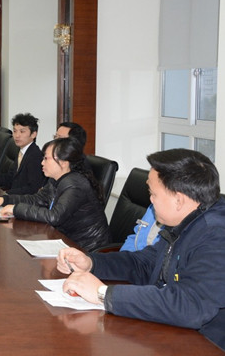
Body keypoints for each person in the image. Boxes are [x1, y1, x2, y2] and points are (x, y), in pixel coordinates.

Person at [57, 149, 225, 350]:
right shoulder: (187, 222)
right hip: (171, 333)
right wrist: (91, 263)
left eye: (153, 194)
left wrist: (104, 294)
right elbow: (144, 263)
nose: (150, 201)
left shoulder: (216, 235)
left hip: (206, 345)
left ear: (179, 200)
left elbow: (191, 306)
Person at [0, 137, 110, 251]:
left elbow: (54, 217)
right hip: (64, 239)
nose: (42, 163)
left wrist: (16, 209)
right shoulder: (57, 178)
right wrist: (5, 200)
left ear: (63, 162)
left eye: (46, 158)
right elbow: (38, 199)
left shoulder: (74, 185)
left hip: (87, 248)